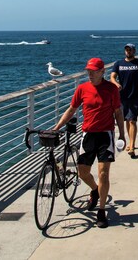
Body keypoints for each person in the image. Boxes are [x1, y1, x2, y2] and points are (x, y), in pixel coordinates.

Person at [53, 57, 124, 228]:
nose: (90, 74)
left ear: (102, 72)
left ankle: (101, 211)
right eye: (88, 71)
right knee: (82, 173)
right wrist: (56, 128)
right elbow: (71, 110)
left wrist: (122, 134)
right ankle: (95, 190)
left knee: (103, 174)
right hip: (88, 135)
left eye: (94, 71)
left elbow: (118, 112)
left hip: (105, 135)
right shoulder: (82, 88)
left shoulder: (111, 89)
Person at [110, 43, 138, 159]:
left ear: (134, 51)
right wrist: (116, 83)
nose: (128, 51)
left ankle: (132, 146)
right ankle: (131, 142)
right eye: (127, 50)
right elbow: (112, 77)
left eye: (130, 50)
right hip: (122, 98)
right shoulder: (118, 64)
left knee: (132, 120)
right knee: (127, 120)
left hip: (135, 97)